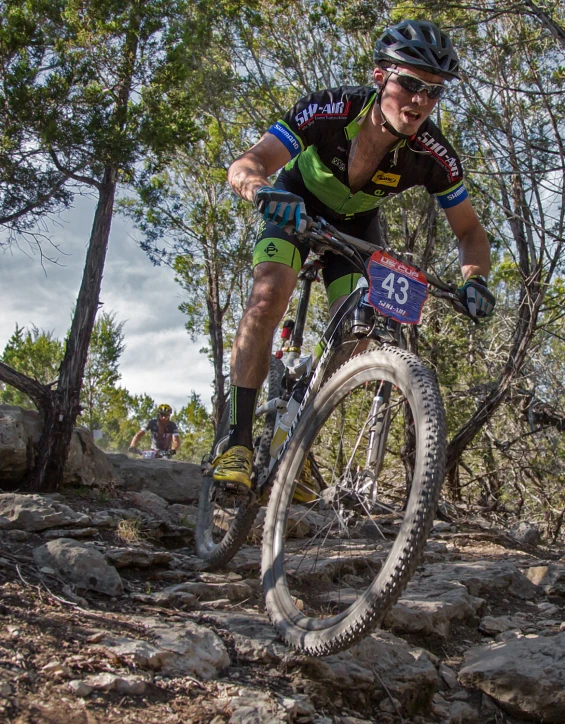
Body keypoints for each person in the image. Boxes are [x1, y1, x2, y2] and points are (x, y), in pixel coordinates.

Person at [213, 19, 496, 492]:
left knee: (356, 338)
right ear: (380, 75)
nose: (420, 101)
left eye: (433, 92)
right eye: (409, 83)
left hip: (357, 227)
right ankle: (236, 442)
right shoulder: (327, 110)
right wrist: (261, 190)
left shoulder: (432, 153)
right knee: (267, 296)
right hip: (295, 205)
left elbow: (469, 231)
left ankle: (293, 440)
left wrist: (477, 279)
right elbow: (248, 163)